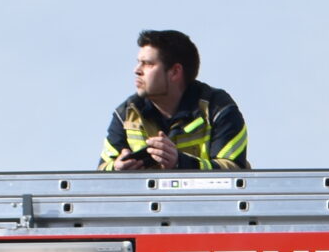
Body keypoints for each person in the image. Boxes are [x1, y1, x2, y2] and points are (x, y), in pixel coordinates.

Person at [98, 29, 250, 172]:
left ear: (175, 72)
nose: (137, 70)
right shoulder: (126, 113)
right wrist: (116, 169)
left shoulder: (217, 109)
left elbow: (235, 172)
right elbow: (99, 174)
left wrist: (180, 163)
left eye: (148, 63)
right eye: (138, 62)